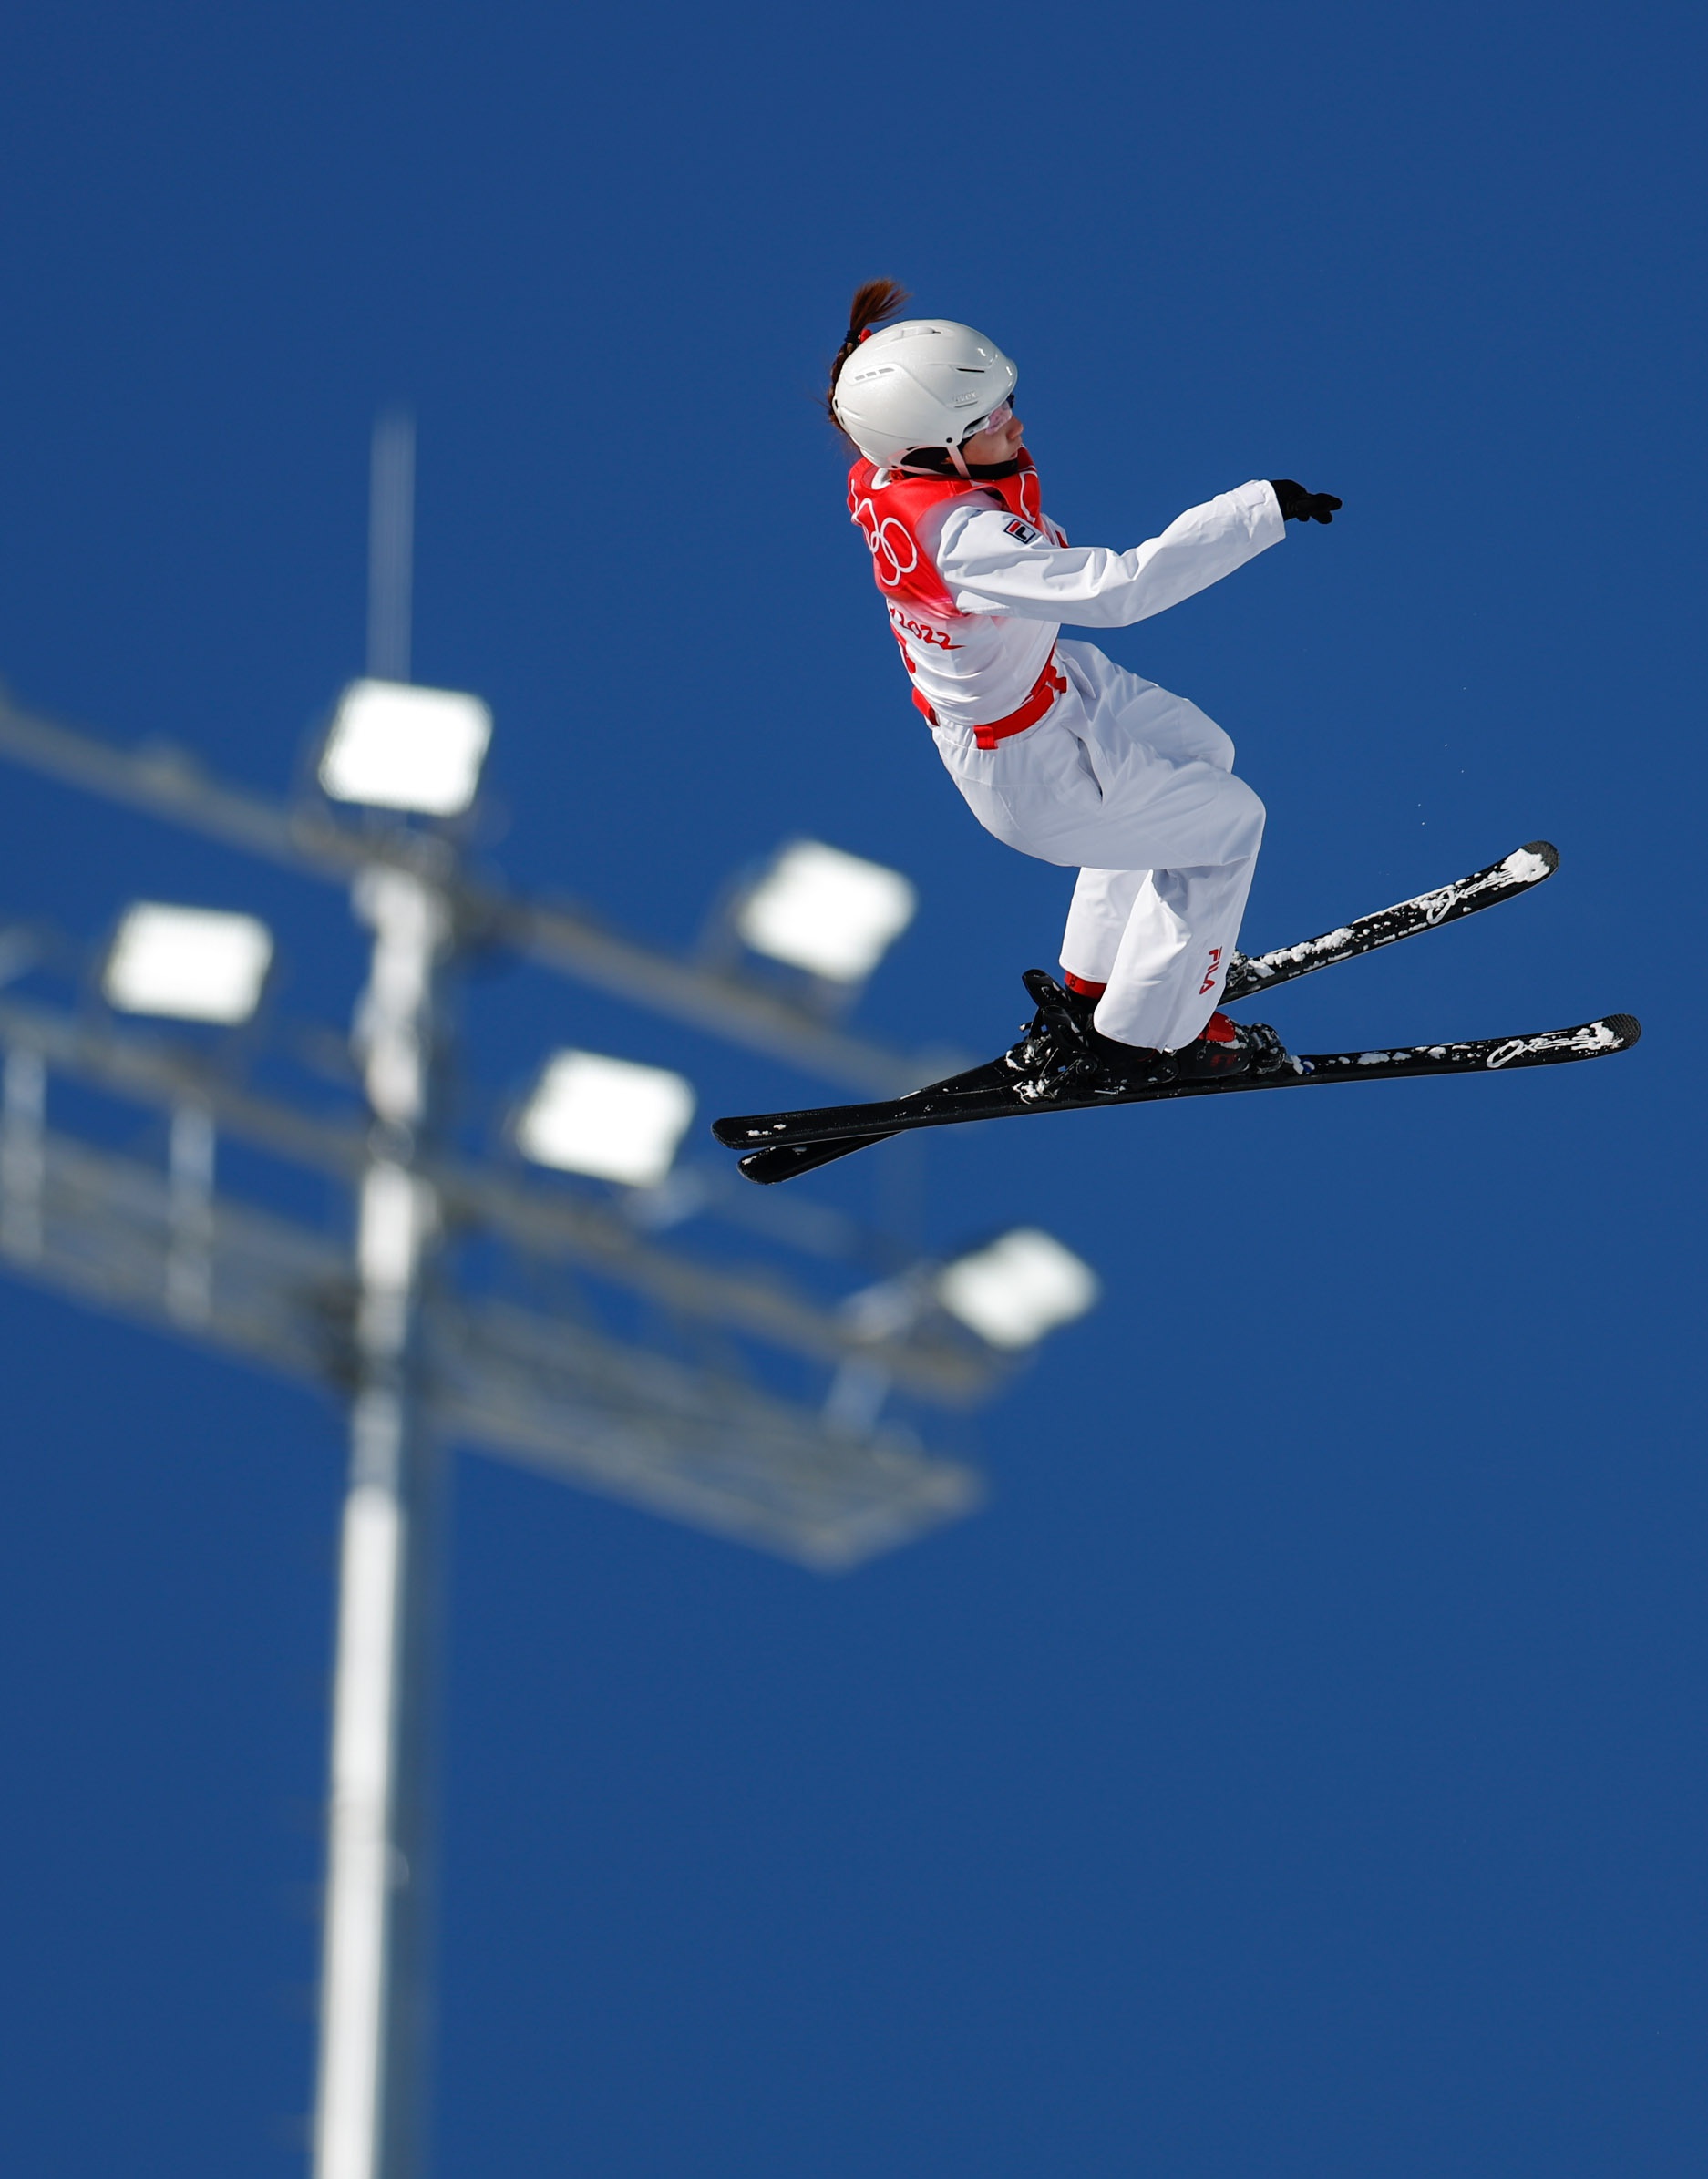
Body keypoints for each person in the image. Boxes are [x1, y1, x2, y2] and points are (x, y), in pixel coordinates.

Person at [828, 280, 1341, 1094]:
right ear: (934, 451)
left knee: (1202, 753)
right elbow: (1116, 591)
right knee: (1231, 826)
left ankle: (1101, 985)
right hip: (1031, 764)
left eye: (1006, 402)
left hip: (1049, 689)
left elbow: (875, 400)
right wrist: (1256, 512)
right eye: (986, 421)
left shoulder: (896, 465)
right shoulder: (962, 537)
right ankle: (1150, 1034)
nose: (1014, 424)